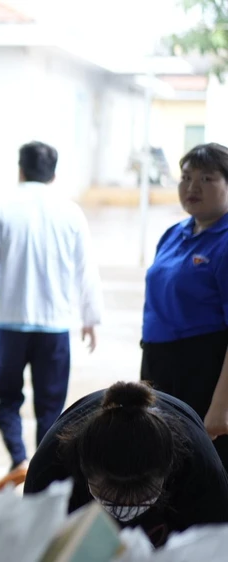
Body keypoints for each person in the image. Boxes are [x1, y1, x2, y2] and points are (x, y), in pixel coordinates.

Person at [0, 141, 103, 492]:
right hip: (54, 326)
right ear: (54, 173)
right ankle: (41, 467)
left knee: (6, 398)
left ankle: (19, 457)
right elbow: (86, 270)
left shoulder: (3, 211)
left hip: (9, 324)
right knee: (51, 405)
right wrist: (90, 318)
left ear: (20, 170)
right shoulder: (71, 213)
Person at [25, 382, 228, 547]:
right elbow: (36, 548)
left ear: (168, 472)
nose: (125, 510)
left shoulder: (202, 471)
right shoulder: (49, 468)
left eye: (140, 499)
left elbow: (213, 550)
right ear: (83, 470)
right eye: (110, 499)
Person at [141, 143, 228, 468]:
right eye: (186, 176)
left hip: (203, 370)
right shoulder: (173, 234)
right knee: (161, 461)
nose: (192, 187)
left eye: (207, 178)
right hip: (159, 364)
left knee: (203, 467)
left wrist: (221, 407)